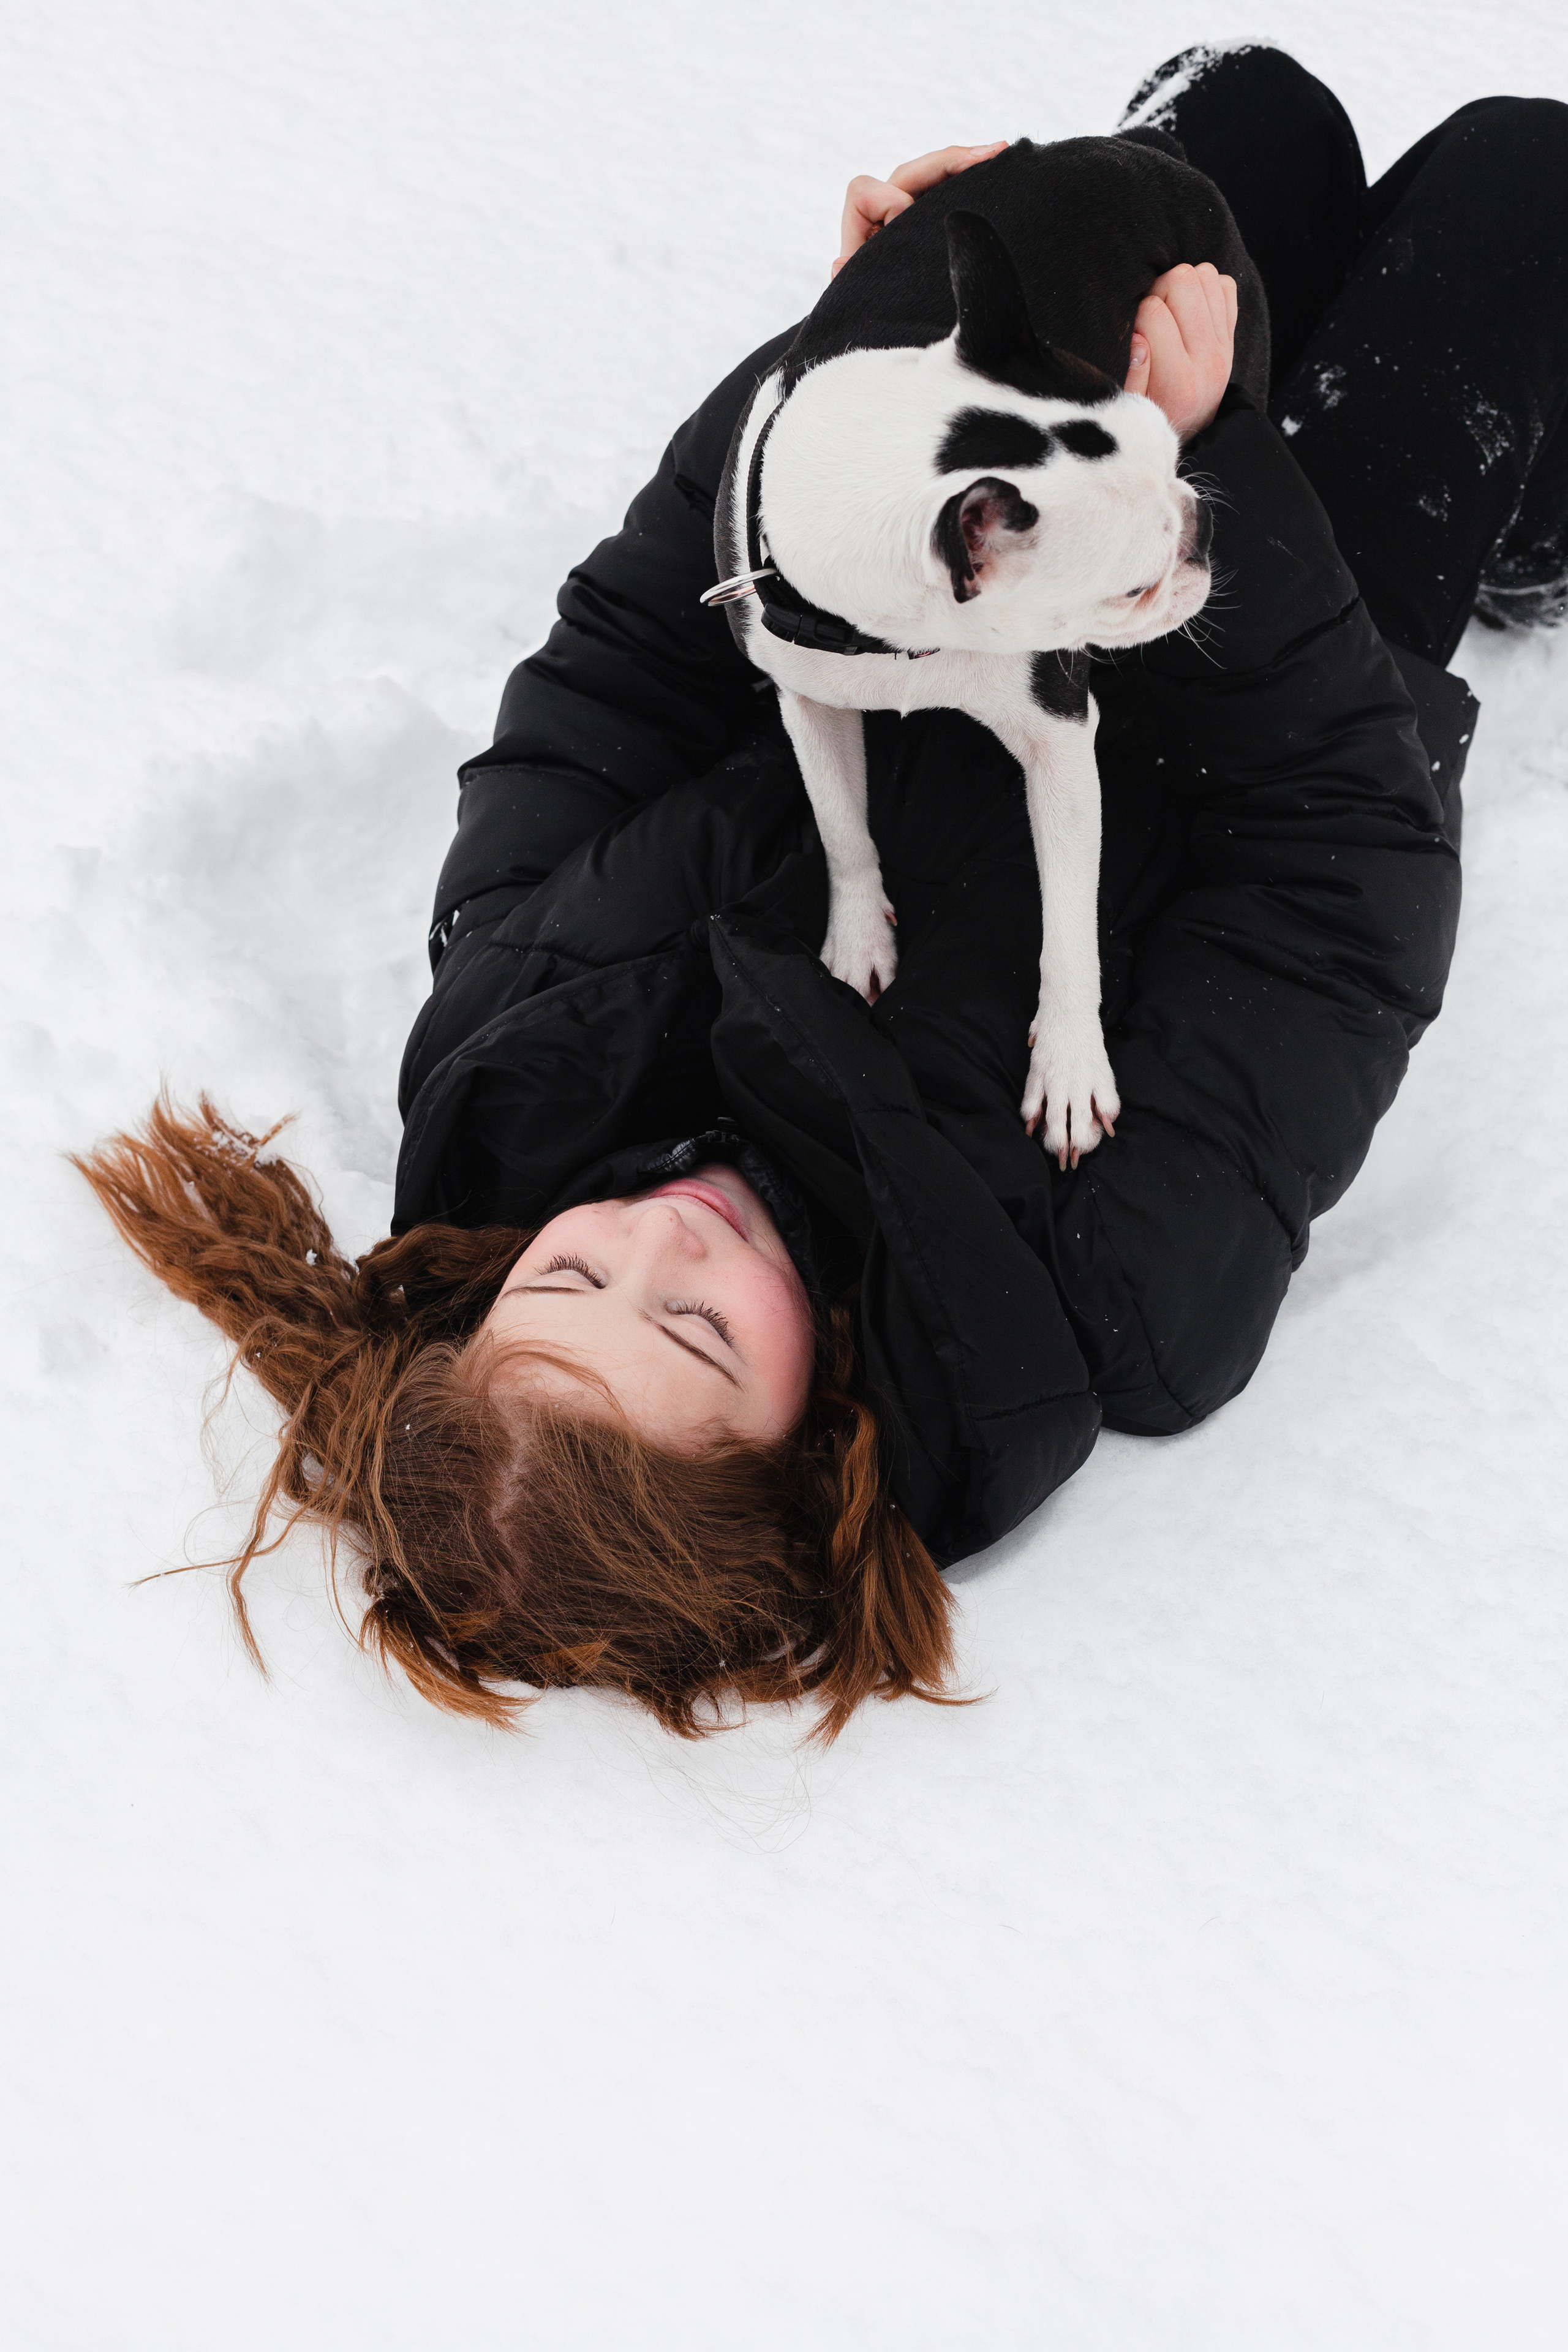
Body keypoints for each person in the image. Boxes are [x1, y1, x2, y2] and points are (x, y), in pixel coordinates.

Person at [80, 47, 1568, 1741]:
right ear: (812, 1445)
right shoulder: (1113, 1303)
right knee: (1518, 188)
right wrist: (1212, 463)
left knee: (1255, 126)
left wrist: (855, 384)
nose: (661, 1243)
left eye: (569, 1283)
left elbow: (636, 650)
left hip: (992, 522)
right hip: (1267, 651)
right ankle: (1534, 524)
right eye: (700, 1334)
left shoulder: (519, 1035)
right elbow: (1338, 885)